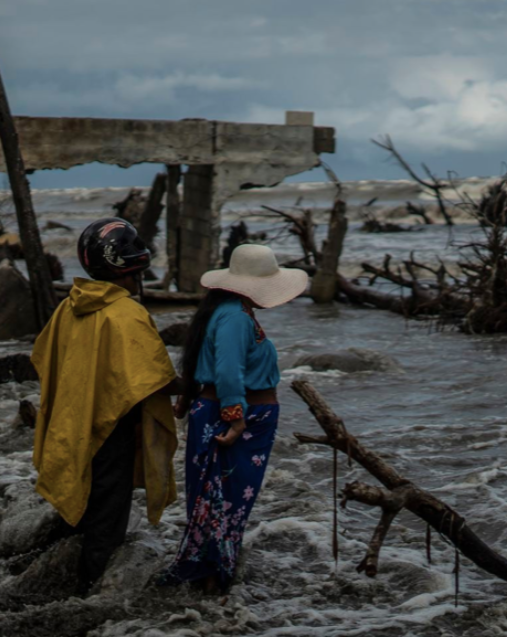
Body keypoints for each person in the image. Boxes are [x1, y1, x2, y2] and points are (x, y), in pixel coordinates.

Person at [30, 217, 180, 595]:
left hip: (73, 426)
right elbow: (153, 380)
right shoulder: (127, 314)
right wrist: (202, 385)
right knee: (107, 522)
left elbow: (44, 356)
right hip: (112, 432)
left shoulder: (71, 306)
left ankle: (56, 581)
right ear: (133, 268)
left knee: (78, 507)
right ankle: (91, 599)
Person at [156, 243, 308, 593]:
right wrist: (237, 419)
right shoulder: (236, 317)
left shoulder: (223, 311)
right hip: (239, 420)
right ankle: (213, 583)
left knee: (216, 501)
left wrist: (189, 397)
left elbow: (203, 362)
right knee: (228, 502)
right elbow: (226, 371)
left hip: (224, 413)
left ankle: (210, 580)